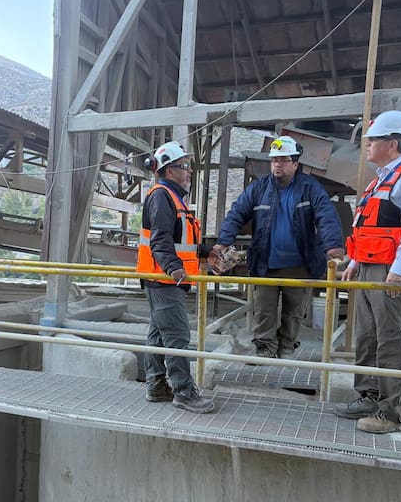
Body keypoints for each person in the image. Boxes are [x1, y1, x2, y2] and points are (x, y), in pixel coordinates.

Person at [334, 110, 401, 434]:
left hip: (389, 271)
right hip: (367, 268)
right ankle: (369, 396)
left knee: (391, 339)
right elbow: (369, 228)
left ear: (392, 143)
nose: (367, 145)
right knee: (366, 336)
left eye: (372, 139)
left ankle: (393, 413)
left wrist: (399, 272)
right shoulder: (379, 179)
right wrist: (354, 262)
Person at [212, 135, 344, 360]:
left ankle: (286, 346)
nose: (277, 165)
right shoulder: (259, 188)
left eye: (283, 160)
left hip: (300, 264)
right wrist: (224, 240)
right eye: (274, 160)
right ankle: (265, 347)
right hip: (266, 263)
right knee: (264, 310)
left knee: (294, 312)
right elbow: (237, 213)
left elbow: (326, 215)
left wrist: (333, 247)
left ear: (295, 163)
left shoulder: (310, 188)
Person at [137, 141, 215, 414]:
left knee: (159, 335)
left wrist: (208, 252)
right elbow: (160, 241)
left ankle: (157, 386)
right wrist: (174, 268)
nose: (189, 171)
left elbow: (182, 241)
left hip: (165, 278)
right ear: (170, 170)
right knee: (177, 335)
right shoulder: (162, 196)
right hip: (165, 279)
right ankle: (183, 392)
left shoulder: (173, 197)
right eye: (185, 166)